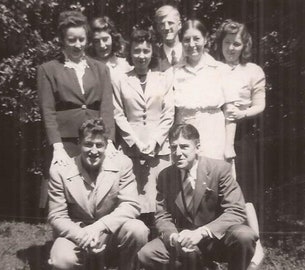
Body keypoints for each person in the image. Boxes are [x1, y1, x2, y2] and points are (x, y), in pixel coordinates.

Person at [138, 124, 257, 270]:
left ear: (198, 147)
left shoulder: (219, 169)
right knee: (147, 254)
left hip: (218, 239)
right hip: (185, 242)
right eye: (173, 147)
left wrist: (202, 232)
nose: (178, 153)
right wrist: (174, 238)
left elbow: (236, 210)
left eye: (184, 146)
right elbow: (163, 216)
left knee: (244, 235)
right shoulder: (165, 176)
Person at [37, 11, 115, 207]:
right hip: (66, 143)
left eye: (81, 39)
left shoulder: (100, 69)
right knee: (66, 193)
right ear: (62, 40)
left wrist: (110, 140)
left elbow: (106, 107)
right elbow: (48, 112)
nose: (78, 45)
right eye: (72, 40)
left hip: (95, 141)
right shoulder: (48, 70)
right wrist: (57, 147)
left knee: (96, 192)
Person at [48, 118, 149, 270]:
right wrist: (82, 235)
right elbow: (57, 216)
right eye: (88, 144)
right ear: (79, 143)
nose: (94, 151)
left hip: (110, 232)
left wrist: (99, 227)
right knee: (61, 261)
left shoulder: (122, 164)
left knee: (138, 230)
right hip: (76, 234)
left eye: (99, 145)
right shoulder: (60, 170)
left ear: (107, 145)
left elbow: (130, 205)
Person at [213, 19, 266, 269]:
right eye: (227, 43)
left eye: (236, 44)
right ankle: (223, 245)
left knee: (244, 191)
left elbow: (260, 104)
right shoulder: (214, 68)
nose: (231, 48)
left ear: (244, 45)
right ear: (220, 44)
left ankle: (258, 245)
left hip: (242, 135)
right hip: (216, 133)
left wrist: (243, 114)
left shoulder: (253, 70)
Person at [112, 29, 174, 224]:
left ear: (152, 53)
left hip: (159, 149)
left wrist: (154, 142)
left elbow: (168, 114)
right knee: (132, 200)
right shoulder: (120, 79)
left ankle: (161, 242)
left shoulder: (163, 78)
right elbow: (118, 114)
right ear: (130, 53)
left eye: (146, 51)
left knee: (160, 200)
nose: (141, 56)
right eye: (136, 51)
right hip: (131, 149)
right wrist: (136, 142)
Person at [173, 19, 237, 161]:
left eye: (196, 39)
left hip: (215, 140)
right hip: (185, 141)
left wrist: (229, 146)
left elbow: (230, 113)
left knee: (215, 180)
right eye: (186, 40)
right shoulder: (174, 73)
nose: (191, 44)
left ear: (205, 39)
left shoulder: (221, 70)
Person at [154, 4, 184, 71]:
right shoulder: (153, 58)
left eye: (170, 23)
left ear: (179, 25)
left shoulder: (191, 52)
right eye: (162, 24)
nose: (166, 28)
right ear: (158, 28)